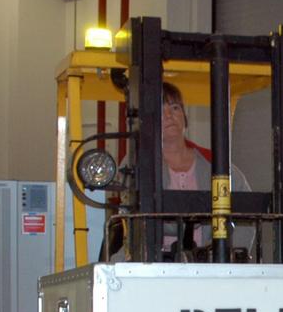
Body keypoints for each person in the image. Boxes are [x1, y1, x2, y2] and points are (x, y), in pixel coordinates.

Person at [106, 82, 252, 261]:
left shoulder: (216, 165)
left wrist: (228, 255)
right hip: (151, 260)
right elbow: (138, 217)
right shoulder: (135, 165)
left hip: (207, 261)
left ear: (184, 115)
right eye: (161, 109)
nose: (169, 115)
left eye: (175, 107)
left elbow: (248, 213)